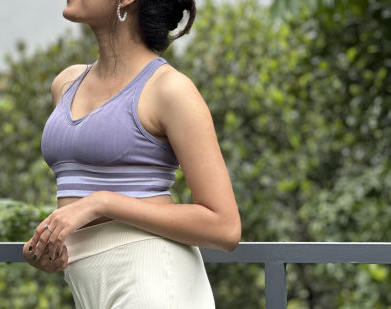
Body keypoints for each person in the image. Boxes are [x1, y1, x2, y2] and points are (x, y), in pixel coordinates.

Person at [22, 0, 241, 307]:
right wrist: (47, 243)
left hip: (152, 279)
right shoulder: (67, 83)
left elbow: (225, 227)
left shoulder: (169, 89)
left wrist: (101, 202)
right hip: (89, 287)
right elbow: (77, 195)